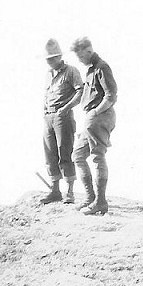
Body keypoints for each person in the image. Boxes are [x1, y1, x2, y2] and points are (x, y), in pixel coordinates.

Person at [71, 37, 117, 215]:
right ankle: (91, 198)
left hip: (100, 116)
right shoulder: (91, 70)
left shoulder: (101, 67)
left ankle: (100, 202)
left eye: (81, 56)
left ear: (89, 51)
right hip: (92, 117)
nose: (80, 60)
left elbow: (111, 95)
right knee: (78, 155)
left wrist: (96, 112)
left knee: (97, 156)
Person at [40, 38, 83, 204]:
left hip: (63, 117)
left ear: (59, 57)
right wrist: (45, 111)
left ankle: (70, 192)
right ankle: (55, 190)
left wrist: (65, 108)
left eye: (52, 58)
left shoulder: (71, 71)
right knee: (50, 153)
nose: (50, 62)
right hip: (48, 117)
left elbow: (80, 92)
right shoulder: (48, 74)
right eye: (47, 59)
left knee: (65, 152)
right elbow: (47, 95)